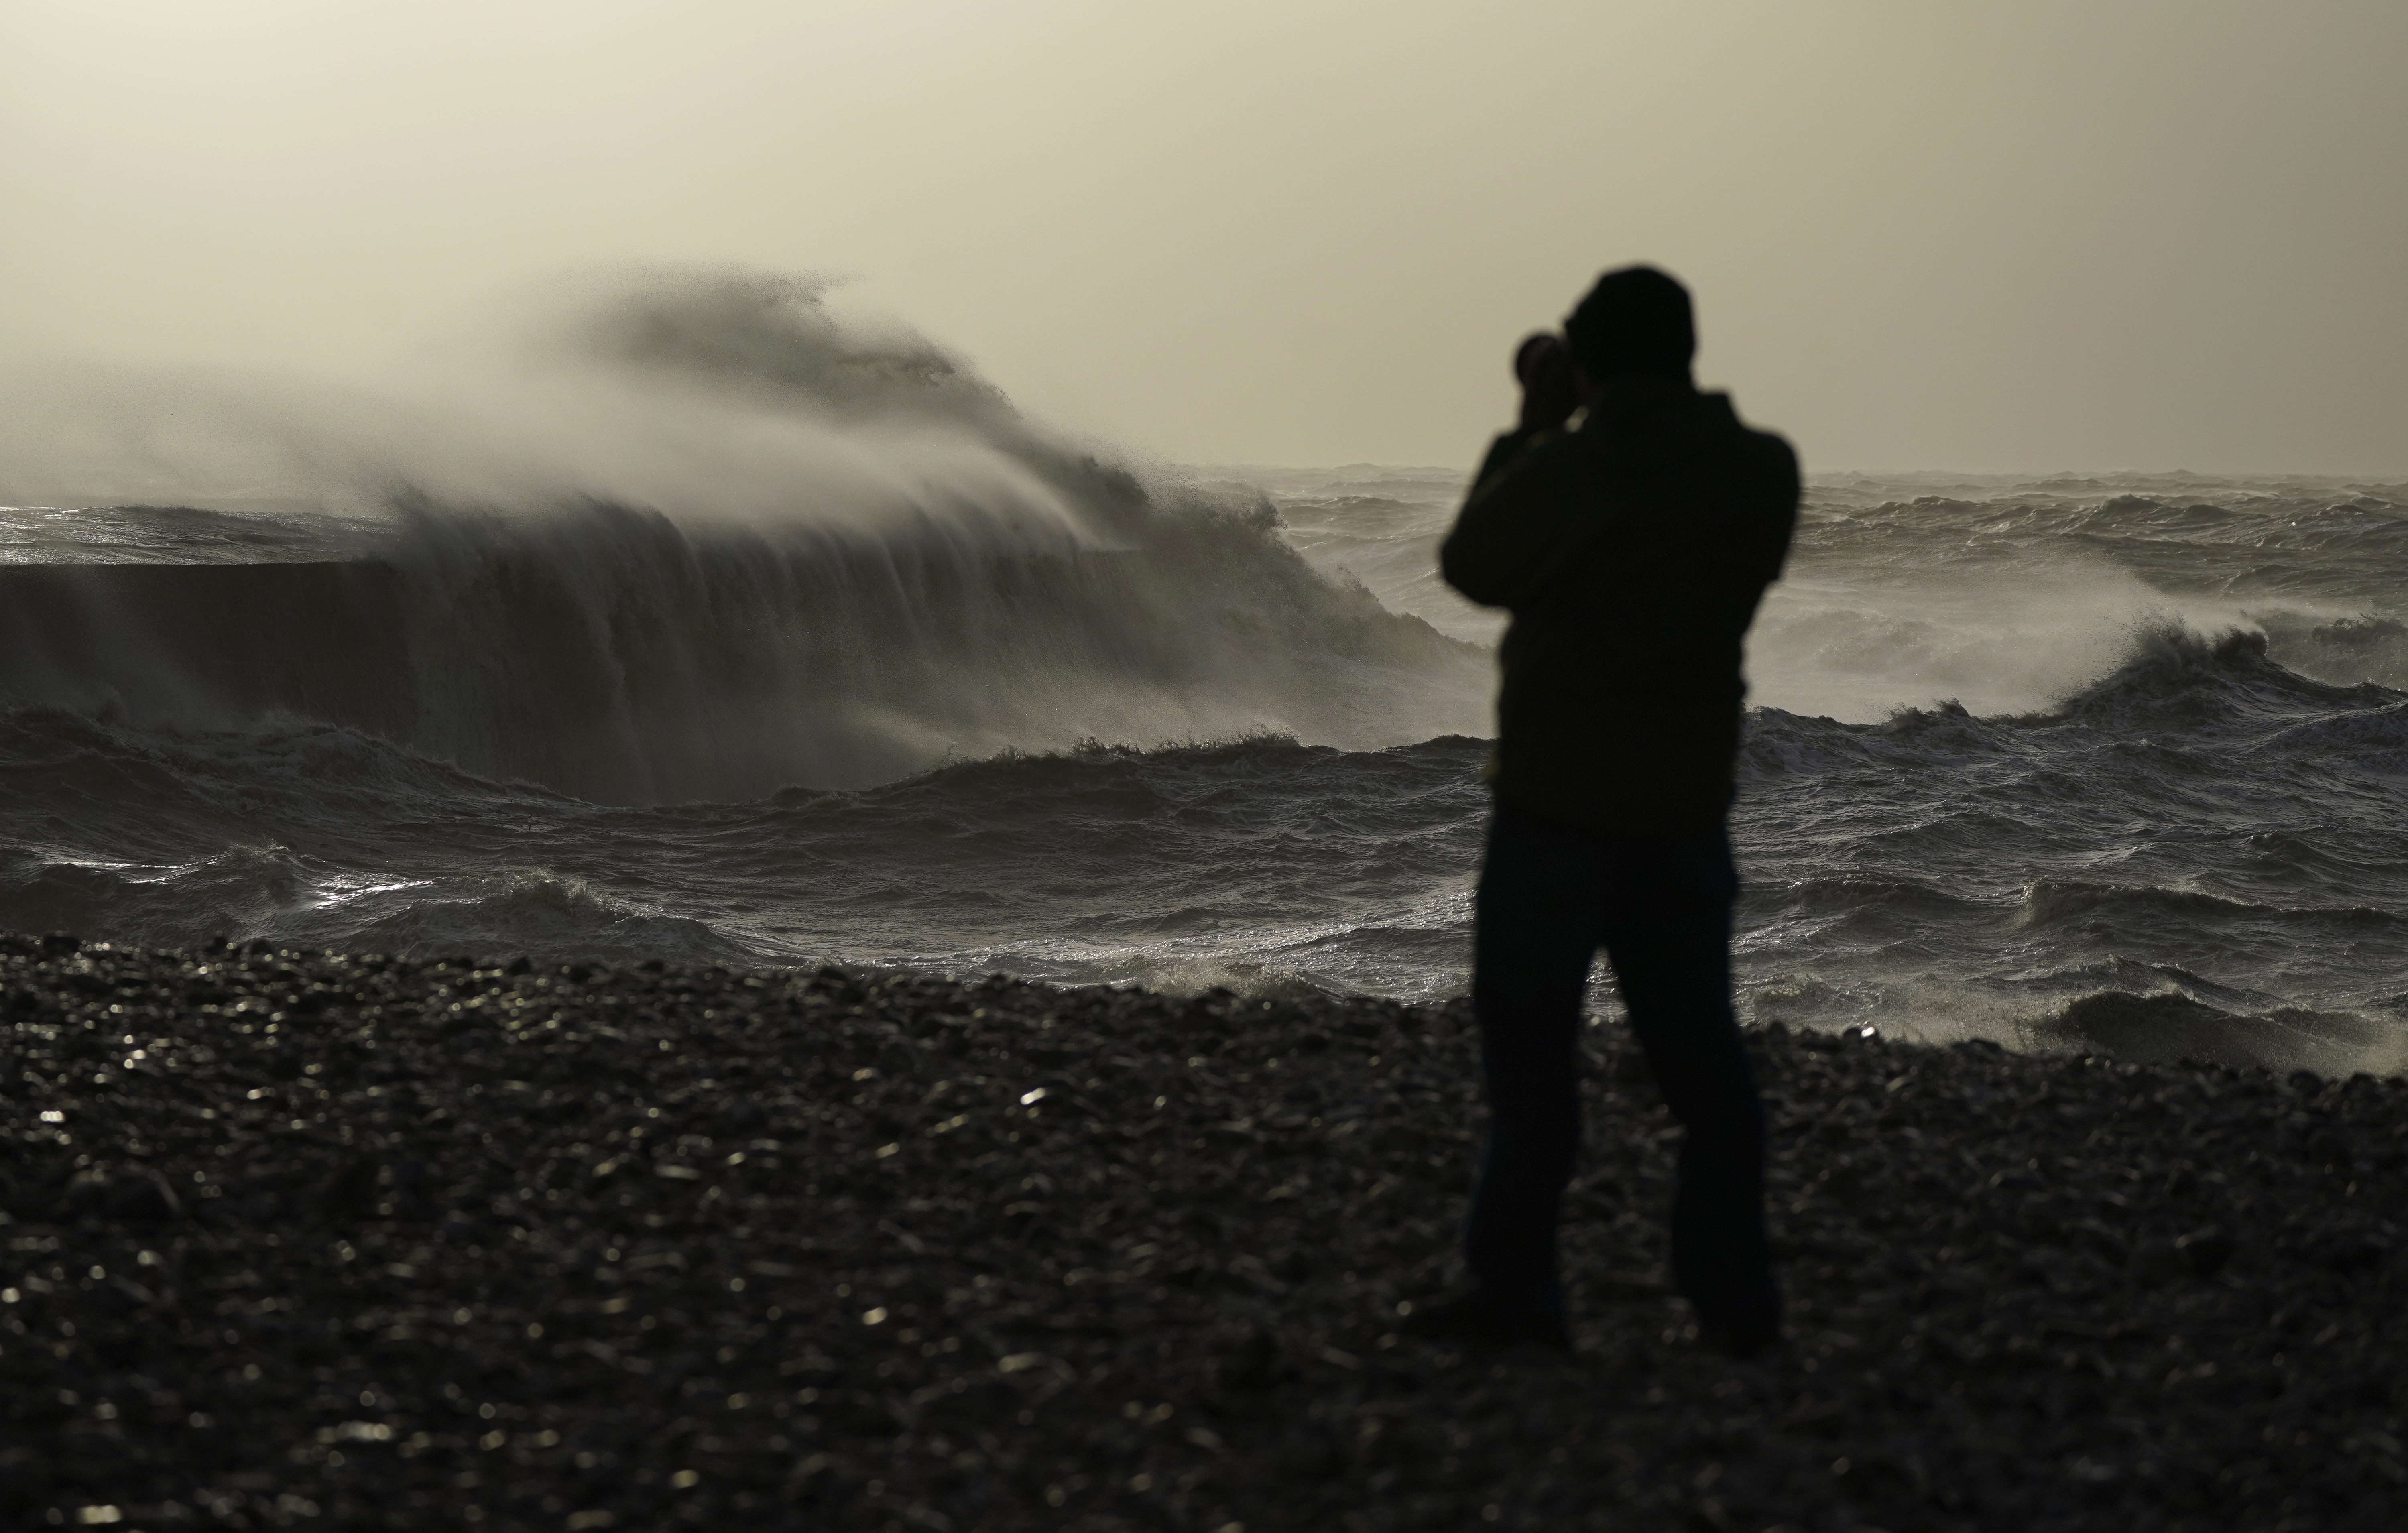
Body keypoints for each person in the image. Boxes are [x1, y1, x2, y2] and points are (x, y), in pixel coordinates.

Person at [1404, 265, 1799, 1356]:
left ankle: (1519, 1294)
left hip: (1556, 805)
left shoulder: (1571, 465)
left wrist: (1534, 423)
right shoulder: (1761, 469)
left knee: (1533, 1067)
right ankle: (1736, 1308)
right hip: (1682, 804)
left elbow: (1475, 564)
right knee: (1704, 1073)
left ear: (1592, 360)